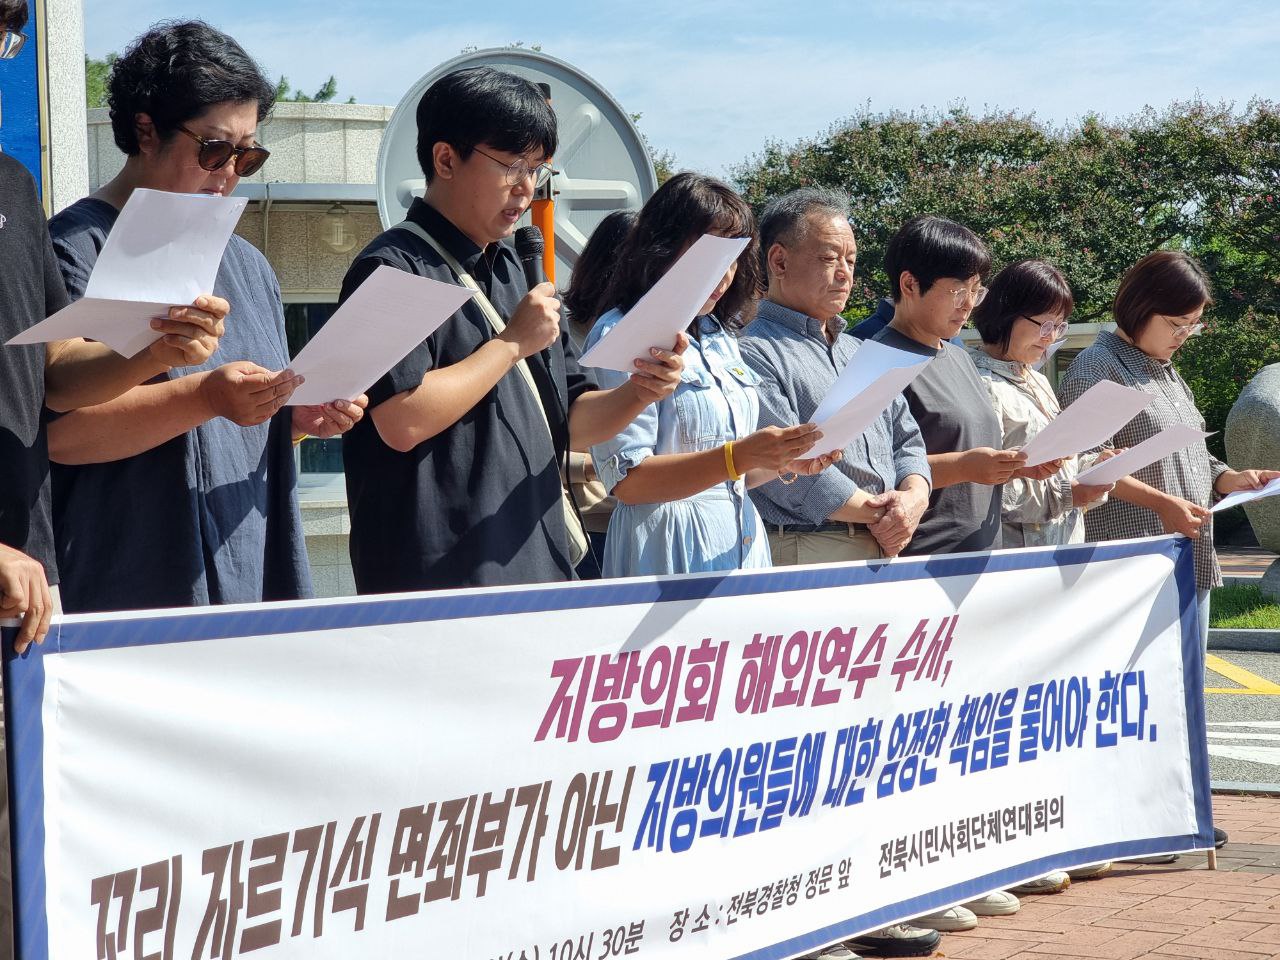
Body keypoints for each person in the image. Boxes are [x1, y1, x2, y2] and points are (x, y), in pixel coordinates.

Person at [47, 21, 365, 612]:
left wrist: (291, 417)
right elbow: (62, 435)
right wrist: (206, 397)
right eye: (215, 150)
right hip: (132, 588)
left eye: (249, 155)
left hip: (246, 571)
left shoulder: (247, 264)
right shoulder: (72, 249)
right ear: (146, 130)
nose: (230, 173)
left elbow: (223, 433)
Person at [340, 67, 684, 593]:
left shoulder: (514, 267)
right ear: (445, 159)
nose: (526, 189)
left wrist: (642, 389)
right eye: (512, 166)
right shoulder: (393, 266)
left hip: (537, 560)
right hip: (437, 574)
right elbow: (402, 419)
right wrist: (510, 345)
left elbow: (573, 420)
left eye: (537, 169)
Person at [1060, 250, 1279, 853]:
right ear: (1142, 307)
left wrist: (1228, 478)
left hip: (1185, 553)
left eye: (1193, 326)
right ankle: (1136, 817)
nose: (1184, 336)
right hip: (1132, 557)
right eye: (1177, 323)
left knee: (1179, 690)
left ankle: (1173, 810)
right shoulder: (1099, 369)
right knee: (1135, 692)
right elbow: (1086, 462)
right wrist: (1160, 502)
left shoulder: (1163, 370)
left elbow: (1186, 450)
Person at [585, 173, 842, 579]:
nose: (724, 275)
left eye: (733, 258)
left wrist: (784, 460)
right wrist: (739, 456)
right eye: (710, 255)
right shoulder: (624, 333)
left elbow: (732, 476)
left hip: (739, 544)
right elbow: (629, 482)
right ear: (663, 247)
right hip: (666, 552)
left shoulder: (720, 335)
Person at [740, 187, 931, 564]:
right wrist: (887, 515)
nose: (845, 274)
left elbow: (907, 440)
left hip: (885, 541)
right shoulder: (750, 350)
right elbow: (786, 470)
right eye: (830, 258)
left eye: (851, 260)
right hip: (811, 545)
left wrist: (914, 498)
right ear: (779, 261)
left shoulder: (859, 351)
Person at [870, 216, 1059, 556]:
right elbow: (872, 471)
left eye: (976, 290)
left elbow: (973, 452)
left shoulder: (959, 356)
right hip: (923, 559)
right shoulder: (879, 360)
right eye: (959, 291)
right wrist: (962, 467)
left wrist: (1015, 466)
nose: (970, 304)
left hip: (982, 556)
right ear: (909, 284)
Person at [971, 260, 1116, 547]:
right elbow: (980, 487)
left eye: (1059, 326)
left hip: (1064, 549)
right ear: (1007, 314)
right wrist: (1067, 495)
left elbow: (1057, 463)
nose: (1051, 337)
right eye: (1045, 324)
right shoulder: (980, 382)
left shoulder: (1036, 379)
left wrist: (1094, 466)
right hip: (1016, 558)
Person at [560, 210, 639, 579]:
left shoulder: (657, 338)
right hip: (589, 527)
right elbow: (535, 440)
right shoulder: (560, 338)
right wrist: (596, 464)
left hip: (650, 517)